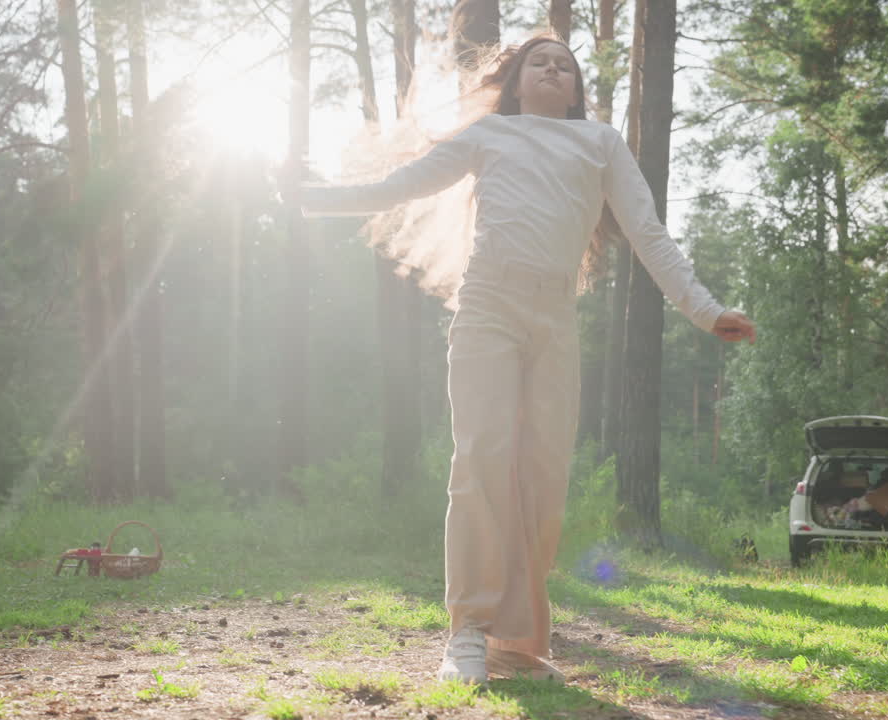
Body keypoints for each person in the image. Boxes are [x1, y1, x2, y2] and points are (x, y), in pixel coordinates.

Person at [296, 35, 756, 685]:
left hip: (554, 322)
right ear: (515, 83)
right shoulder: (490, 134)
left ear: (575, 90)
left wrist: (706, 310)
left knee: (542, 479)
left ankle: (517, 645)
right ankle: (467, 634)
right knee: (482, 459)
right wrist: (313, 198)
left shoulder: (600, 144)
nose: (552, 68)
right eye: (538, 62)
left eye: (564, 65)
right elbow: (400, 186)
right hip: (487, 309)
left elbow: (648, 232)